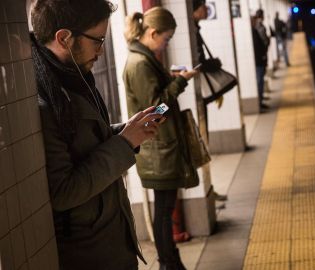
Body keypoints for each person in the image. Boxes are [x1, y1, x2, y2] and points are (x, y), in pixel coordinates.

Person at [30, 0, 164, 269]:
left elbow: (85, 142)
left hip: (108, 235)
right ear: (64, 38)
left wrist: (126, 131)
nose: (101, 51)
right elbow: (63, 191)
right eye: (98, 41)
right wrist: (125, 142)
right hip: (89, 250)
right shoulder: (44, 101)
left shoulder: (73, 78)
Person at [123, 7, 199, 270]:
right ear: (153, 33)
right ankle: (169, 263)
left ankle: (171, 261)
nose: (166, 44)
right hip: (158, 151)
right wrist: (180, 82)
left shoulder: (145, 60)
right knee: (164, 213)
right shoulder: (140, 64)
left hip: (160, 148)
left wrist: (174, 79)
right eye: (165, 39)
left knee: (164, 210)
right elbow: (156, 110)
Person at [192, 0, 228, 201]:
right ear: (196, 10)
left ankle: (208, 186)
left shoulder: (194, 30)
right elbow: (197, 65)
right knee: (202, 141)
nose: (207, 9)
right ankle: (206, 189)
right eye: (204, 6)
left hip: (199, 97)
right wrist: (212, 64)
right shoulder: (191, 32)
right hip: (195, 99)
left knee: (204, 140)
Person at [252, 9, 270, 110]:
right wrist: (263, 54)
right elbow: (263, 42)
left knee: (260, 80)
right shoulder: (258, 28)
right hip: (259, 60)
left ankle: (260, 100)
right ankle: (259, 102)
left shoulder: (256, 28)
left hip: (260, 59)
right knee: (259, 80)